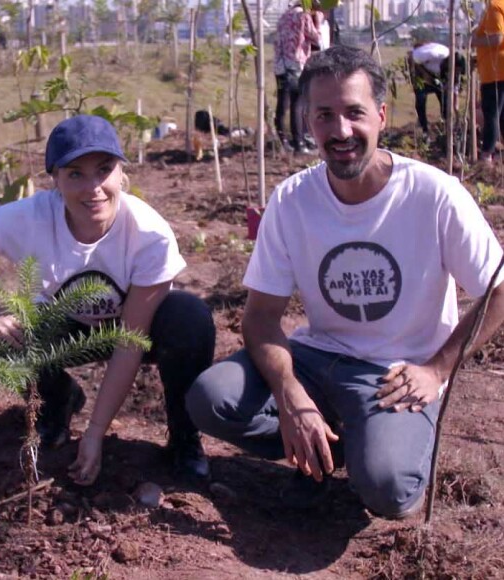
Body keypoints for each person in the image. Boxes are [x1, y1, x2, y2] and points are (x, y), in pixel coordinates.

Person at [186, 45, 504, 519]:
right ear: (307, 120)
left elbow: (498, 289)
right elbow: (261, 318)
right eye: (324, 115)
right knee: (212, 400)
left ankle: (371, 441)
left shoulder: (435, 195)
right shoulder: (293, 199)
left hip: (394, 376)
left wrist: (436, 370)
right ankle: (323, 447)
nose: (340, 131)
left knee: (388, 489)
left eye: (354, 113)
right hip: (316, 360)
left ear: (380, 114)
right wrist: (291, 396)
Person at [0, 114, 215, 486]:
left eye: (104, 170)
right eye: (75, 173)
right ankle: (58, 401)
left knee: (189, 317)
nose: (93, 187)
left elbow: (129, 341)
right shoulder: (30, 217)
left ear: (121, 173)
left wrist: (94, 434)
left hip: (139, 330)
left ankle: (184, 438)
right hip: (66, 325)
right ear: (55, 180)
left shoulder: (149, 234)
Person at [273, 0, 321, 154]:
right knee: (297, 104)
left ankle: (282, 142)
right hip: (296, 64)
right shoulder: (303, 16)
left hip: (280, 65)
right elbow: (316, 38)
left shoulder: (283, 17)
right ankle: (299, 143)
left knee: (282, 105)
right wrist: (318, 22)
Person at [406, 41, 466, 140]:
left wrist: (456, 111)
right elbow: (412, 57)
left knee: (445, 100)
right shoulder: (432, 54)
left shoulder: (452, 71)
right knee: (421, 99)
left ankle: (447, 129)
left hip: (435, 75)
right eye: (455, 70)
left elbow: (454, 90)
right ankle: (424, 130)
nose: (455, 73)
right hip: (419, 73)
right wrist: (425, 75)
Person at [472, 0, 504, 163]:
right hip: (498, 70)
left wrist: (473, 41)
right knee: (501, 113)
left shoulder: (494, 7)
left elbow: (496, 38)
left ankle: (486, 155)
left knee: (491, 113)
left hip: (495, 71)